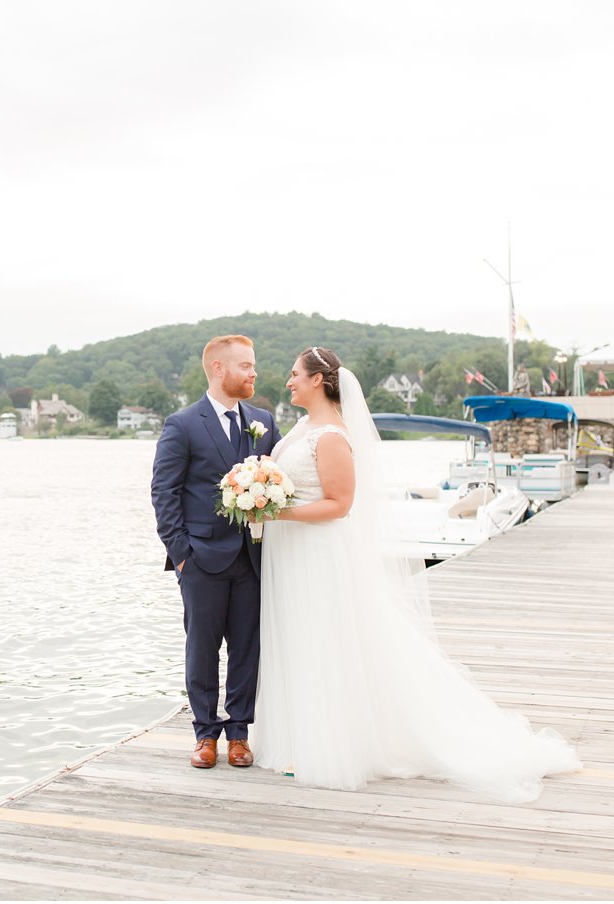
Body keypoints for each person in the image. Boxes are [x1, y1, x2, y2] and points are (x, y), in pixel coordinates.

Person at [252, 345, 580, 799]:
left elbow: (339, 505)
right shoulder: (303, 427)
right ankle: (295, 737)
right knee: (298, 639)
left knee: (324, 640)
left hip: (317, 554)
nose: (287, 381)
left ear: (317, 381)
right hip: (291, 554)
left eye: (294, 374)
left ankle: (330, 745)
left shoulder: (330, 436)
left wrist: (275, 515)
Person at [150, 335, 282, 770]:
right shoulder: (183, 424)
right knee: (202, 649)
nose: (253, 373)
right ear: (219, 369)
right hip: (201, 558)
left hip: (252, 557)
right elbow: (164, 492)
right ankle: (205, 734)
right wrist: (181, 553)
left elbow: (278, 481)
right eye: (245, 365)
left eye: (253, 365)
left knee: (248, 648)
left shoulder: (263, 420)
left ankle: (239, 734)